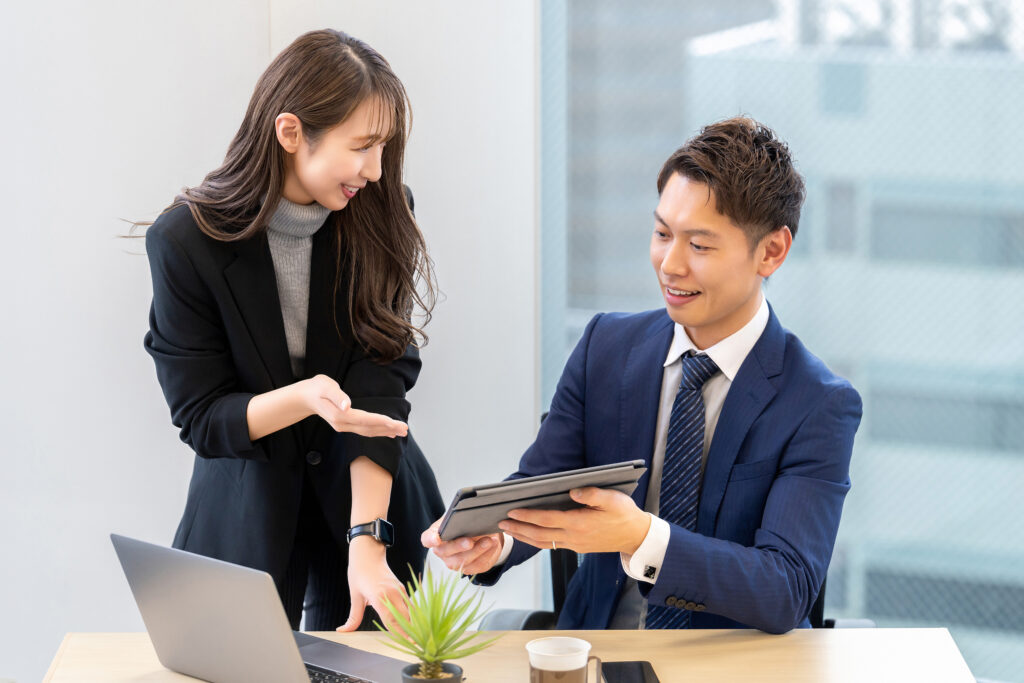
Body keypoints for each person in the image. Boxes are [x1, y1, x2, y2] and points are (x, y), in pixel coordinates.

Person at [423, 117, 862, 634]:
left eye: (699, 246)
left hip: (731, 662)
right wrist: (498, 540)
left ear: (771, 251)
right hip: (596, 651)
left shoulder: (817, 403)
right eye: (661, 234)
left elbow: (785, 588)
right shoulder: (605, 347)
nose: (669, 265)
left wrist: (641, 538)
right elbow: (541, 484)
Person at [142, 29, 444, 632]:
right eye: (362, 146)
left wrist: (368, 543)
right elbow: (204, 416)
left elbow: (380, 389)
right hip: (245, 511)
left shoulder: (383, 211)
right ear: (290, 133)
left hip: (368, 496)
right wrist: (305, 398)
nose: (378, 171)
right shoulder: (184, 242)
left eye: (384, 147)